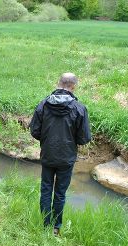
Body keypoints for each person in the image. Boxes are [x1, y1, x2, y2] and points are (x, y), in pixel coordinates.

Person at [29, 73, 91, 236]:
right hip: (66, 158)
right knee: (60, 193)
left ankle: (45, 225)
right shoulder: (79, 108)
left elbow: (34, 130)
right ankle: (56, 228)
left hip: (48, 155)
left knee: (46, 190)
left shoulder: (43, 104)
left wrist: (47, 139)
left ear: (58, 83)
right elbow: (84, 138)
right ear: (74, 86)